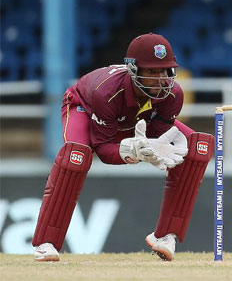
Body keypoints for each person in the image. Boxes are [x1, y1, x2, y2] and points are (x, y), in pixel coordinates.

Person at [32, 33, 214, 262]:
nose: (160, 79)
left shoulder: (173, 94)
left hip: (135, 118)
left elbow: (157, 132)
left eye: (165, 71)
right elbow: (102, 149)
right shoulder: (106, 92)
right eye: (151, 71)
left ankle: (166, 236)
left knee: (199, 148)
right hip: (85, 109)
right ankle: (45, 243)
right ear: (133, 70)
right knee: (76, 157)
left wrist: (156, 146)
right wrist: (132, 153)